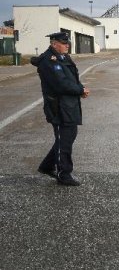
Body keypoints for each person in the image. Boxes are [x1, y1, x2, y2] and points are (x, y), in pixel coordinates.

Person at [31, 32, 90, 186]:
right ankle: (64, 174)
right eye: (64, 43)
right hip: (58, 107)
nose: (67, 45)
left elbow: (71, 79)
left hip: (68, 105)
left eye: (67, 42)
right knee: (64, 138)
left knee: (67, 137)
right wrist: (79, 90)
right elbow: (61, 84)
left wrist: (80, 88)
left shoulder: (62, 57)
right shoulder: (49, 61)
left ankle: (47, 166)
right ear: (54, 43)